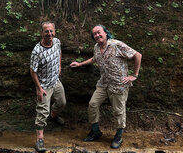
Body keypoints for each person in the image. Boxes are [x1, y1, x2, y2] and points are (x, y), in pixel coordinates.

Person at [70, 25, 142, 149]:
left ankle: (119, 135)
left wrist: (134, 75)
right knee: (93, 104)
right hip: (103, 84)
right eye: (94, 34)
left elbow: (137, 55)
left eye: (99, 33)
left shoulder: (116, 45)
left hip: (119, 84)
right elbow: (94, 58)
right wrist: (80, 63)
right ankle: (95, 131)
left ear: (105, 33)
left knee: (118, 111)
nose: (97, 36)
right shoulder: (96, 47)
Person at [30, 21, 66, 152]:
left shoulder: (57, 42)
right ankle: (39, 140)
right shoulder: (37, 51)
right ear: (42, 33)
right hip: (44, 85)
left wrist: (59, 66)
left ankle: (54, 115)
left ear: (54, 32)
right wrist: (39, 89)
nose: (49, 34)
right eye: (46, 31)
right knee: (42, 112)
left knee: (62, 102)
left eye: (51, 31)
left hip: (55, 81)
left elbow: (59, 53)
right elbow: (33, 71)